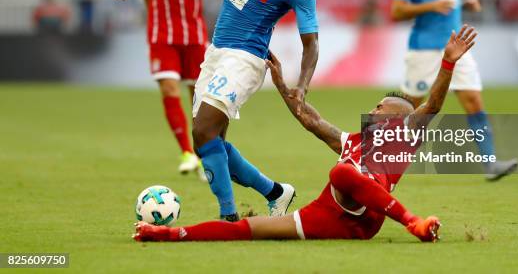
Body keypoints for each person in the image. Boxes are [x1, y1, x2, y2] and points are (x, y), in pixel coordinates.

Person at [131, 25, 478, 243]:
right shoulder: (353, 142)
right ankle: (167, 233)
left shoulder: (400, 140)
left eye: (379, 108)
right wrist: (282, 85)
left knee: (341, 171)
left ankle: (412, 222)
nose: (372, 111)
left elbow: (431, 105)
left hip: (367, 214)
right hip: (329, 214)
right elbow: (311, 120)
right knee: (248, 231)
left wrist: (448, 63)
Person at [108, 0, 319, 220]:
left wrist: (301, 86)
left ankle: (229, 217)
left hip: (246, 59)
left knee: (205, 131)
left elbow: (311, 43)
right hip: (216, 53)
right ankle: (276, 192)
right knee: (208, 141)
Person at [391, 0, 518, 180]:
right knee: (410, 108)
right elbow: (397, 10)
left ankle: (490, 163)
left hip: (456, 47)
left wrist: (464, 4)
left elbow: (448, 2)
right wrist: (431, 6)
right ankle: (379, 158)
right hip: (424, 50)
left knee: (473, 101)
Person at [139, 0, 231, 177]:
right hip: (161, 34)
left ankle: (204, 155)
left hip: (193, 35)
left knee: (197, 97)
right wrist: (154, 13)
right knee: (168, 88)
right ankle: (187, 153)